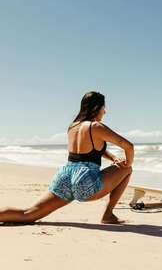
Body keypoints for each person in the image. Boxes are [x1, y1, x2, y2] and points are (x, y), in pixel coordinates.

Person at [0, 91, 134, 224]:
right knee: (127, 170)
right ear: (95, 108)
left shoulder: (73, 126)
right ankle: (108, 214)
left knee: (28, 214)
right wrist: (127, 163)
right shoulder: (96, 126)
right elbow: (128, 146)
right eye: (104, 108)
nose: (105, 112)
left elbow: (92, 149)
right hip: (85, 180)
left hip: (65, 176)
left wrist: (114, 158)